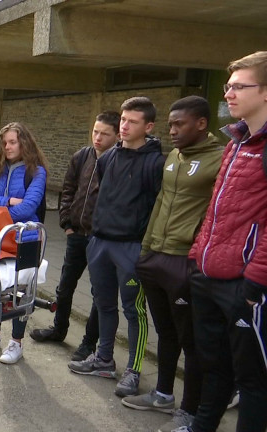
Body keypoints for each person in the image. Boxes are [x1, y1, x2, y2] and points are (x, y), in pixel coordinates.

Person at [119, 96, 222, 432]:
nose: (172, 131)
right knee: (166, 333)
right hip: (156, 257)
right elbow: (162, 201)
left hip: (185, 261)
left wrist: (197, 255)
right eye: (171, 124)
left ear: (202, 124)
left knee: (190, 340)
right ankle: (163, 394)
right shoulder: (173, 157)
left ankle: (190, 411)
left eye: (180, 124)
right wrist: (146, 250)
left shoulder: (220, 158)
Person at [181, 51, 267, 432]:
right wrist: (197, 257)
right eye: (228, 86)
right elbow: (216, 209)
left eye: (238, 86)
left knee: (252, 381)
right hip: (208, 276)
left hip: (243, 285)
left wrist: (254, 282)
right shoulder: (235, 143)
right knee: (212, 367)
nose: (228, 94)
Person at [68, 96, 164, 398]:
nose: (124, 126)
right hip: (100, 243)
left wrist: (147, 249)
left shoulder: (155, 163)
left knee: (134, 311)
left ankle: (134, 370)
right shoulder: (108, 158)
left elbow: (157, 208)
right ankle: (104, 360)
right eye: (123, 120)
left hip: (131, 248)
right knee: (103, 304)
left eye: (132, 121)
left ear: (148, 126)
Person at [29, 111, 121, 362]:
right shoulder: (82, 156)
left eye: (105, 133)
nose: (98, 137)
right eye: (95, 131)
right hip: (77, 235)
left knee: (99, 294)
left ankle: (88, 344)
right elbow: (68, 190)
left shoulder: (119, 161)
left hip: (101, 239)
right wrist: (67, 223)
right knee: (65, 287)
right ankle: (59, 329)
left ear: (117, 135)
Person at [0, 121, 48, 364]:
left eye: (13, 142)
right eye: (4, 142)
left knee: (22, 292)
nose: (7, 147)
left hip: (26, 239)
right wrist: (9, 202)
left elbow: (29, 207)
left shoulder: (36, 172)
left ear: (23, 143)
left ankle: (16, 343)